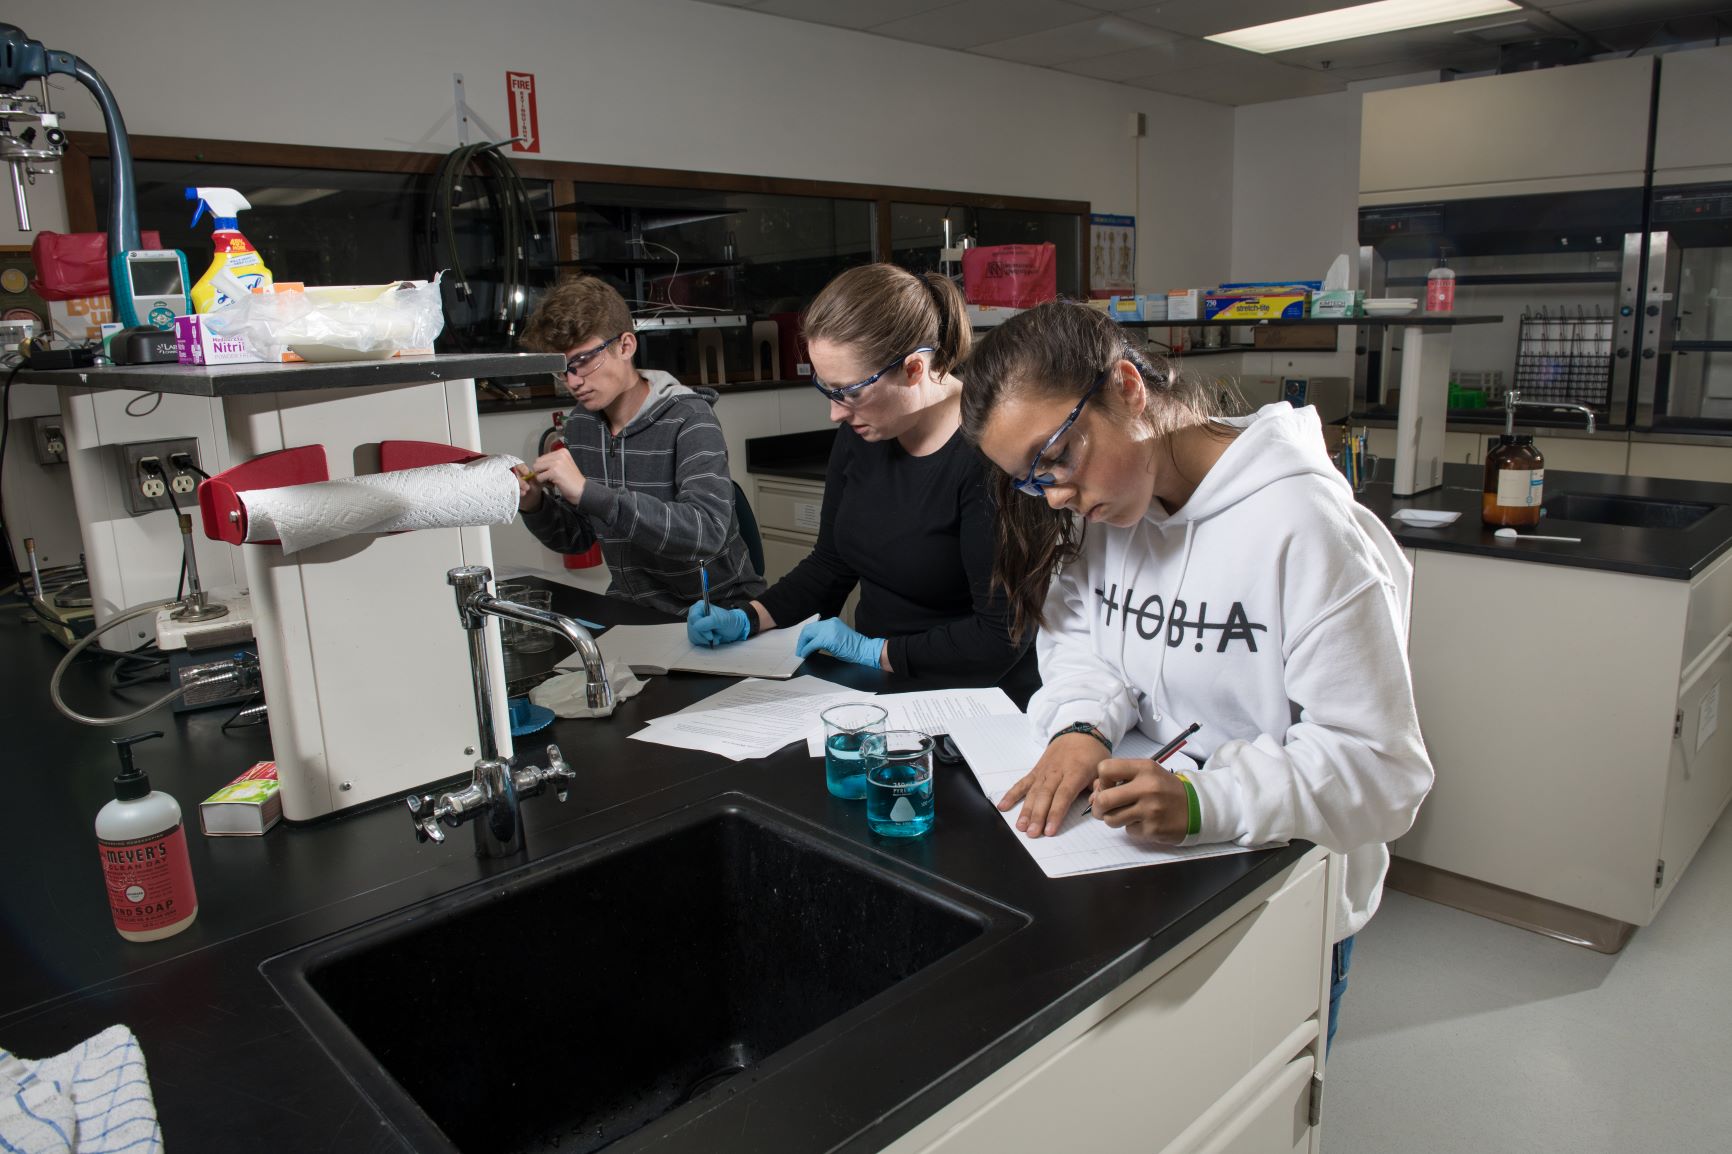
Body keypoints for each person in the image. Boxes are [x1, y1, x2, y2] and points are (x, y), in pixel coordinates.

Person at [960, 301, 1433, 1048]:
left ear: (1127, 387)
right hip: (1145, 886)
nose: (1053, 495)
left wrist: (1202, 800)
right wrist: (1083, 725)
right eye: (1029, 478)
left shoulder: (1301, 526)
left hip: (1282, 897)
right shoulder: (1112, 509)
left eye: (1056, 457)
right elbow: (1079, 640)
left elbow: (1381, 770)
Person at [686, 263, 1026, 679]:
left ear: (914, 369)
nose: (834, 414)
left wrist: (875, 652)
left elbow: (1001, 637)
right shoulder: (864, 430)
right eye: (826, 389)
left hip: (966, 693)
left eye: (848, 393)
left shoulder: (991, 455)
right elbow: (831, 564)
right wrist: (749, 617)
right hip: (875, 675)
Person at [516, 276, 764, 616]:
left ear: (626, 346)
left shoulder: (690, 418)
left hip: (718, 611)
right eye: (562, 370)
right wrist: (534, 505)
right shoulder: (582, 426)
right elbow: (580, 537)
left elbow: (706, 533)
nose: (573, 382)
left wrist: (589, 492)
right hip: (634, 608)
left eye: (585, 361)